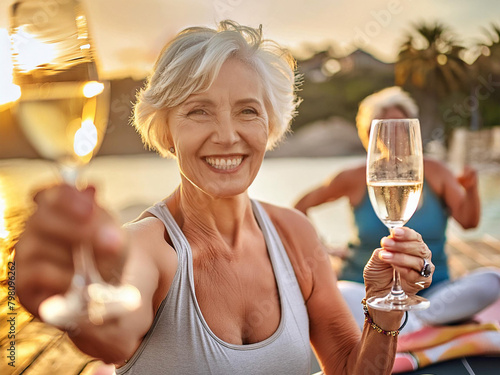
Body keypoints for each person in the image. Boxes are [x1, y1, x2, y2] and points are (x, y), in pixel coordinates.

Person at [14, 22, 435, 375]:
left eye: (248, 111)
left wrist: (384, 314)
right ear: (165, 130)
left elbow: (349, 367)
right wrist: (75, 293)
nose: (228, 135)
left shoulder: (296, 236)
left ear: (270, 126)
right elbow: (111, 334)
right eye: (199, 110)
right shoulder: (148, 246)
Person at [294, 86, 500, 332]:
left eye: (402, 127)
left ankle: (400, 324)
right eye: (386, 128)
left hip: (432, 290)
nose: (396, 135)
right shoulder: (355, 177)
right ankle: (415, 324)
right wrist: (322, 249)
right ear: (370, 134)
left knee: (492, 281)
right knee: (340, 292)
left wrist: (471, 189)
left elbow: (468, 222)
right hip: (365, 290)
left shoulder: (434, 172)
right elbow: (301, 207)